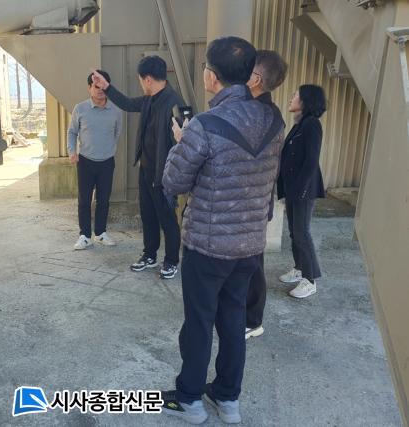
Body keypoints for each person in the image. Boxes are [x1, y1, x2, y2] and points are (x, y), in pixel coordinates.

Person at [160, 37, 285, 425]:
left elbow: (174, 181)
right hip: (249, 245)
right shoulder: (274, 121)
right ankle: (228, 399)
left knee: (199, 322)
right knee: (233, 321)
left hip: (208, 246)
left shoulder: (205, 125)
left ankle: (190, 400)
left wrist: (181, 142)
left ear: (211, 77)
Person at [91, 56, 184, 279]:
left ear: (148, 79)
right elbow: (127, 103)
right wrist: (107, 87)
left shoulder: (174, 103)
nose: (141, 84)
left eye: (141, 80)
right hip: (146, 168)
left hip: (164, 173)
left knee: (167, 218)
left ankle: (171, 260)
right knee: (148, 215)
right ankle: (149, 255)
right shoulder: (150, 99)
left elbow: (183, 143)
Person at [244, 50, 288, 340]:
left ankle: (253, 319)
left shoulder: (261, 115)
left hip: (252, 201)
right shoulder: (264, 112)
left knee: (252, 263)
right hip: (252, 200)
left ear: (256, 79)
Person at [277, 85, 327, 298]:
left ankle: (310, 279)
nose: (291, 98)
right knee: (294, 232)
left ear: (306, 100)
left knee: (302, 233)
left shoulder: (312, 124)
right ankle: (299, 268)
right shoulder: (300, 124)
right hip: (294, 188)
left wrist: (300, 190)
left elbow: (311, 161)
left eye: (295, 95)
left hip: (303, 189)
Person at [68, 70, 123, 250]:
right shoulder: (80, 108)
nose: (100, 90)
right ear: (89, 88)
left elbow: (116, 133)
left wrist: (107, 149)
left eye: (102, 87)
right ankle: (84, 235)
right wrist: (72, 151)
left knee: (103, 200)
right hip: (85, 161)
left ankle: (100, 233)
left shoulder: (116, 111)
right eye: (95, 87)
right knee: (84, 200)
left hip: (107, 162)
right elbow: (72, 132)